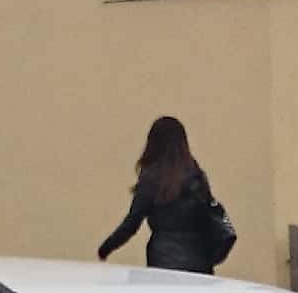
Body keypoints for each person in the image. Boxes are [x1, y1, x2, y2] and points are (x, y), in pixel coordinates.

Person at [96, 116, 230, 273]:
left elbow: (132, 223)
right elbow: (208, 217)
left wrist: (106, 248)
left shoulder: (151, 178)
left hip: (163, 261)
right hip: (198, 262)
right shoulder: (197, 177)